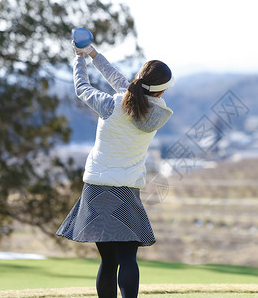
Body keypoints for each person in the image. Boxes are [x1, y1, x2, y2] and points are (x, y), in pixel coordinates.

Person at [56, 41, 174, 298]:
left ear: (139, 79)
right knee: (128, 257)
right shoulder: (157, 113)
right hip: (127, 189)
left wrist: (79, 58)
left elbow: (82, 89)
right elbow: (119, 80)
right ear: (160, 92)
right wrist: (93, 53)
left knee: (108, 261)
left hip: (97, 188)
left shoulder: (111, 105)